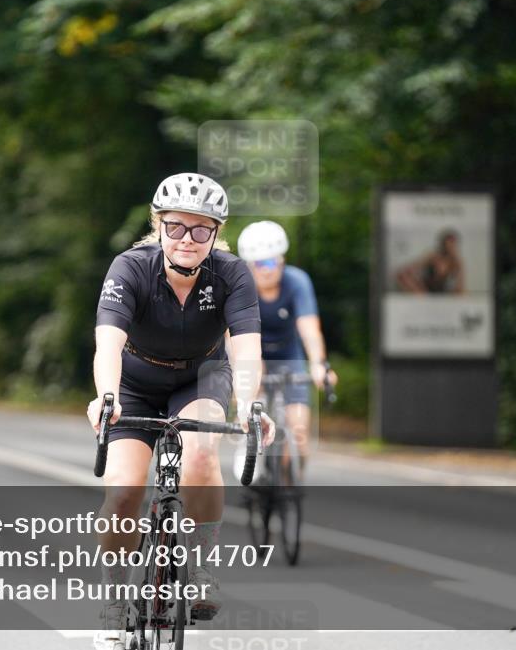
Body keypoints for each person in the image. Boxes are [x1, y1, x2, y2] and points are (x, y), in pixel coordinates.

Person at [87, 173, 274, 650]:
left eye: (200, 230)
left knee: (201, 458)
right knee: (125, 491)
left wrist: (253, 405)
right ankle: (112, 596)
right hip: (135, 381)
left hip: (200, 377)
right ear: (159, 225)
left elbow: (246, 348)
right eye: (176, 227)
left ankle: (202, 567)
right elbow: (107, 343)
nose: (187, 239)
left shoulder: (231, 274)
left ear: (216, 232)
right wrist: (105, 397)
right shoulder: (130, 268)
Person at [236, 221, 337, 477]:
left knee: (300, 431)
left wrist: (318, 364)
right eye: (259, 264)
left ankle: (288, 481)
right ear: (249, 266)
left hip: (289, 355)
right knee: (252, 396)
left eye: (271, 263)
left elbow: (309, 328)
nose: (266, 270)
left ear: (282, 261)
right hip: (250, 352)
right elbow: (233, 335)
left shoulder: (297, 282)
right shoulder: (241, 287)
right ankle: (249, 451)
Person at [394, 229, 466, 294]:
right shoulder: (433, 256)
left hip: (442, 291)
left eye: (452, 244)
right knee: (402, 275)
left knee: (460, 293)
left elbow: (460, 287)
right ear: (442, 244)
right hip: (425, 289)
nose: (449, 247)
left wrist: (459, 263)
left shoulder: (456, 261)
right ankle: (423, 297)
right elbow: (411, 267)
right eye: (447, 244)